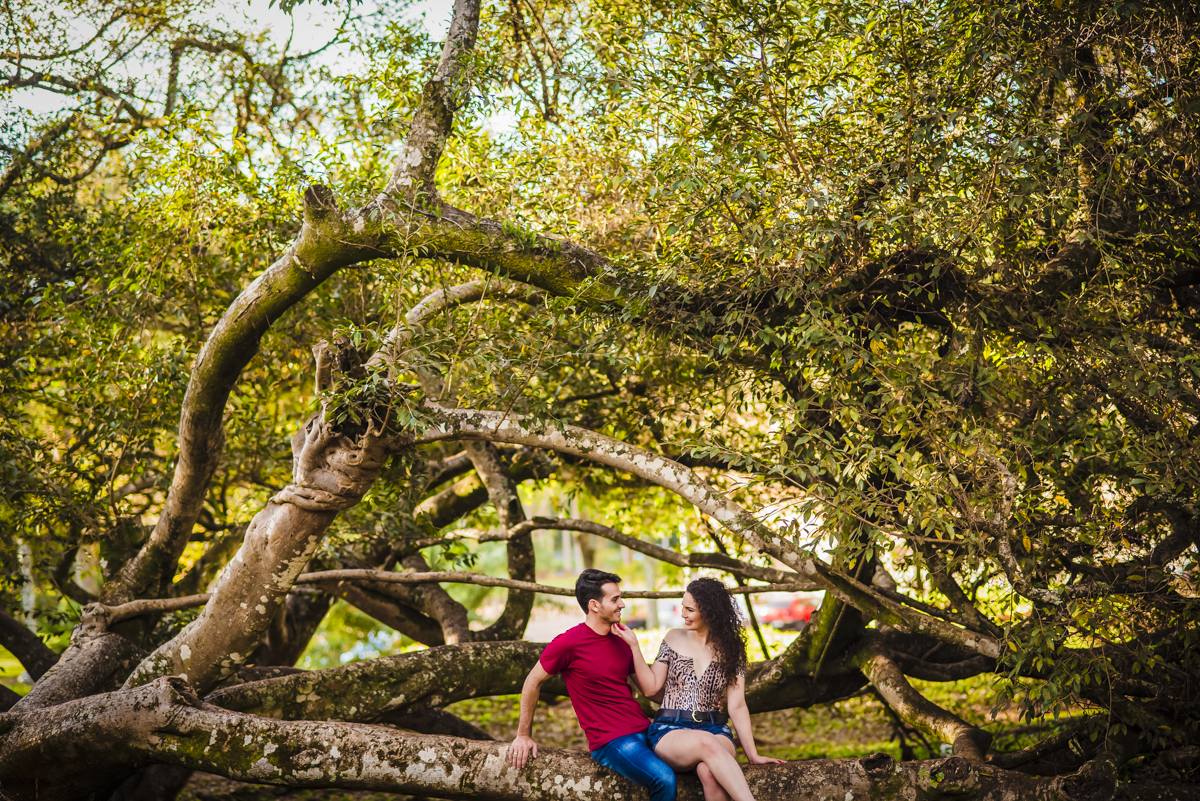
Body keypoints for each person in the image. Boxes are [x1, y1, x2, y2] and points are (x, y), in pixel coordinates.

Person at [508, 568, 677, 801]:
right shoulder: (568, 643)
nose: (623, 604)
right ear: (594, 605)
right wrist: (523, 735)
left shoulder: (622, 641)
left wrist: (696, 703)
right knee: (664, 779)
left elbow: (652, 692)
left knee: (698, 767)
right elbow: (532, 681)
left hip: (645, 729)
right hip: (611, 741)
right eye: (615, 599)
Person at [614, 577, 782, 801]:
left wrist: (753, 755)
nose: (682, 613)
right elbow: (650, 687)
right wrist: (634, 645)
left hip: (715, 729)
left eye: (689, 609)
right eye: (683, 607)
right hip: (671, 730)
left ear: (710, 612)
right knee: (706, 742)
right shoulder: (673, 637)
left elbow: (737, 705)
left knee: (709, 772)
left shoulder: (733, 648)